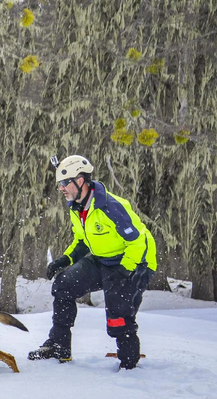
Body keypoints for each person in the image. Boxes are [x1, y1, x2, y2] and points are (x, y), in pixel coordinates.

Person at [28, 155, 156, 370]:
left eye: (64, 183)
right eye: (59, 184)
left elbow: (138, 241)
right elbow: (82, 241)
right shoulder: (76, 207)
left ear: (80, 180)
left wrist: (125, 270)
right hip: (103, 258)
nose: (61, 189)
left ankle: (129, 364)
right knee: (63, 286)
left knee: (118, 309)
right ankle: (59, 346)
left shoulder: (111, 207)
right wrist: (65, 259)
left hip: (136, 262)